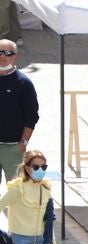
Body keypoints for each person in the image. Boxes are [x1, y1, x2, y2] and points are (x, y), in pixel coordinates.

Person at [0, 37, 37, 189]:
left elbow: (32, 116)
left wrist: (23, 143)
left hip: (12, 147)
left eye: (7, 53)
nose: (2, 56)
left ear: (14, 56)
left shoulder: (23, 83)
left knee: (15, 191)